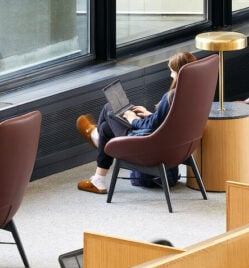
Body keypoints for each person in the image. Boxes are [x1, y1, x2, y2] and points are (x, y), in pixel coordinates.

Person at [75, 51, 197, 195]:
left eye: (172, 72)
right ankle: (98, 179)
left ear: (180, 73)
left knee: (110, 109)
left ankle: (97, 138)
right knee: (106, 129)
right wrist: (150, 114)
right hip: (170, 147)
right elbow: (170, 121)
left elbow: (151, 126)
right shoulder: (193, 94)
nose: (171, 76)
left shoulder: (171, 96)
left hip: (148, 144)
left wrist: (133, 119)